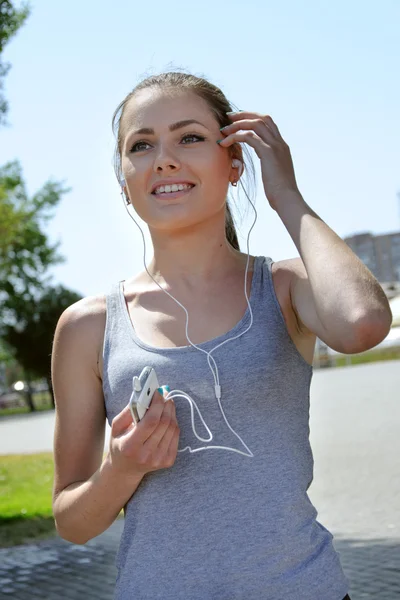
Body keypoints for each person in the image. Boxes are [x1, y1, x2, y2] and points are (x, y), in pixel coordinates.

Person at [51, 71, 392, 599]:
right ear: (124, 181)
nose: (164, 158)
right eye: (141, 145)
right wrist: (121, 469)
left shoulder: (284, 288)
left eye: (189, 137)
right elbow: (72, 522)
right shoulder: (87, 326)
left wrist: (285, 194)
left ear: (234, 163)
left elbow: (363, 324)